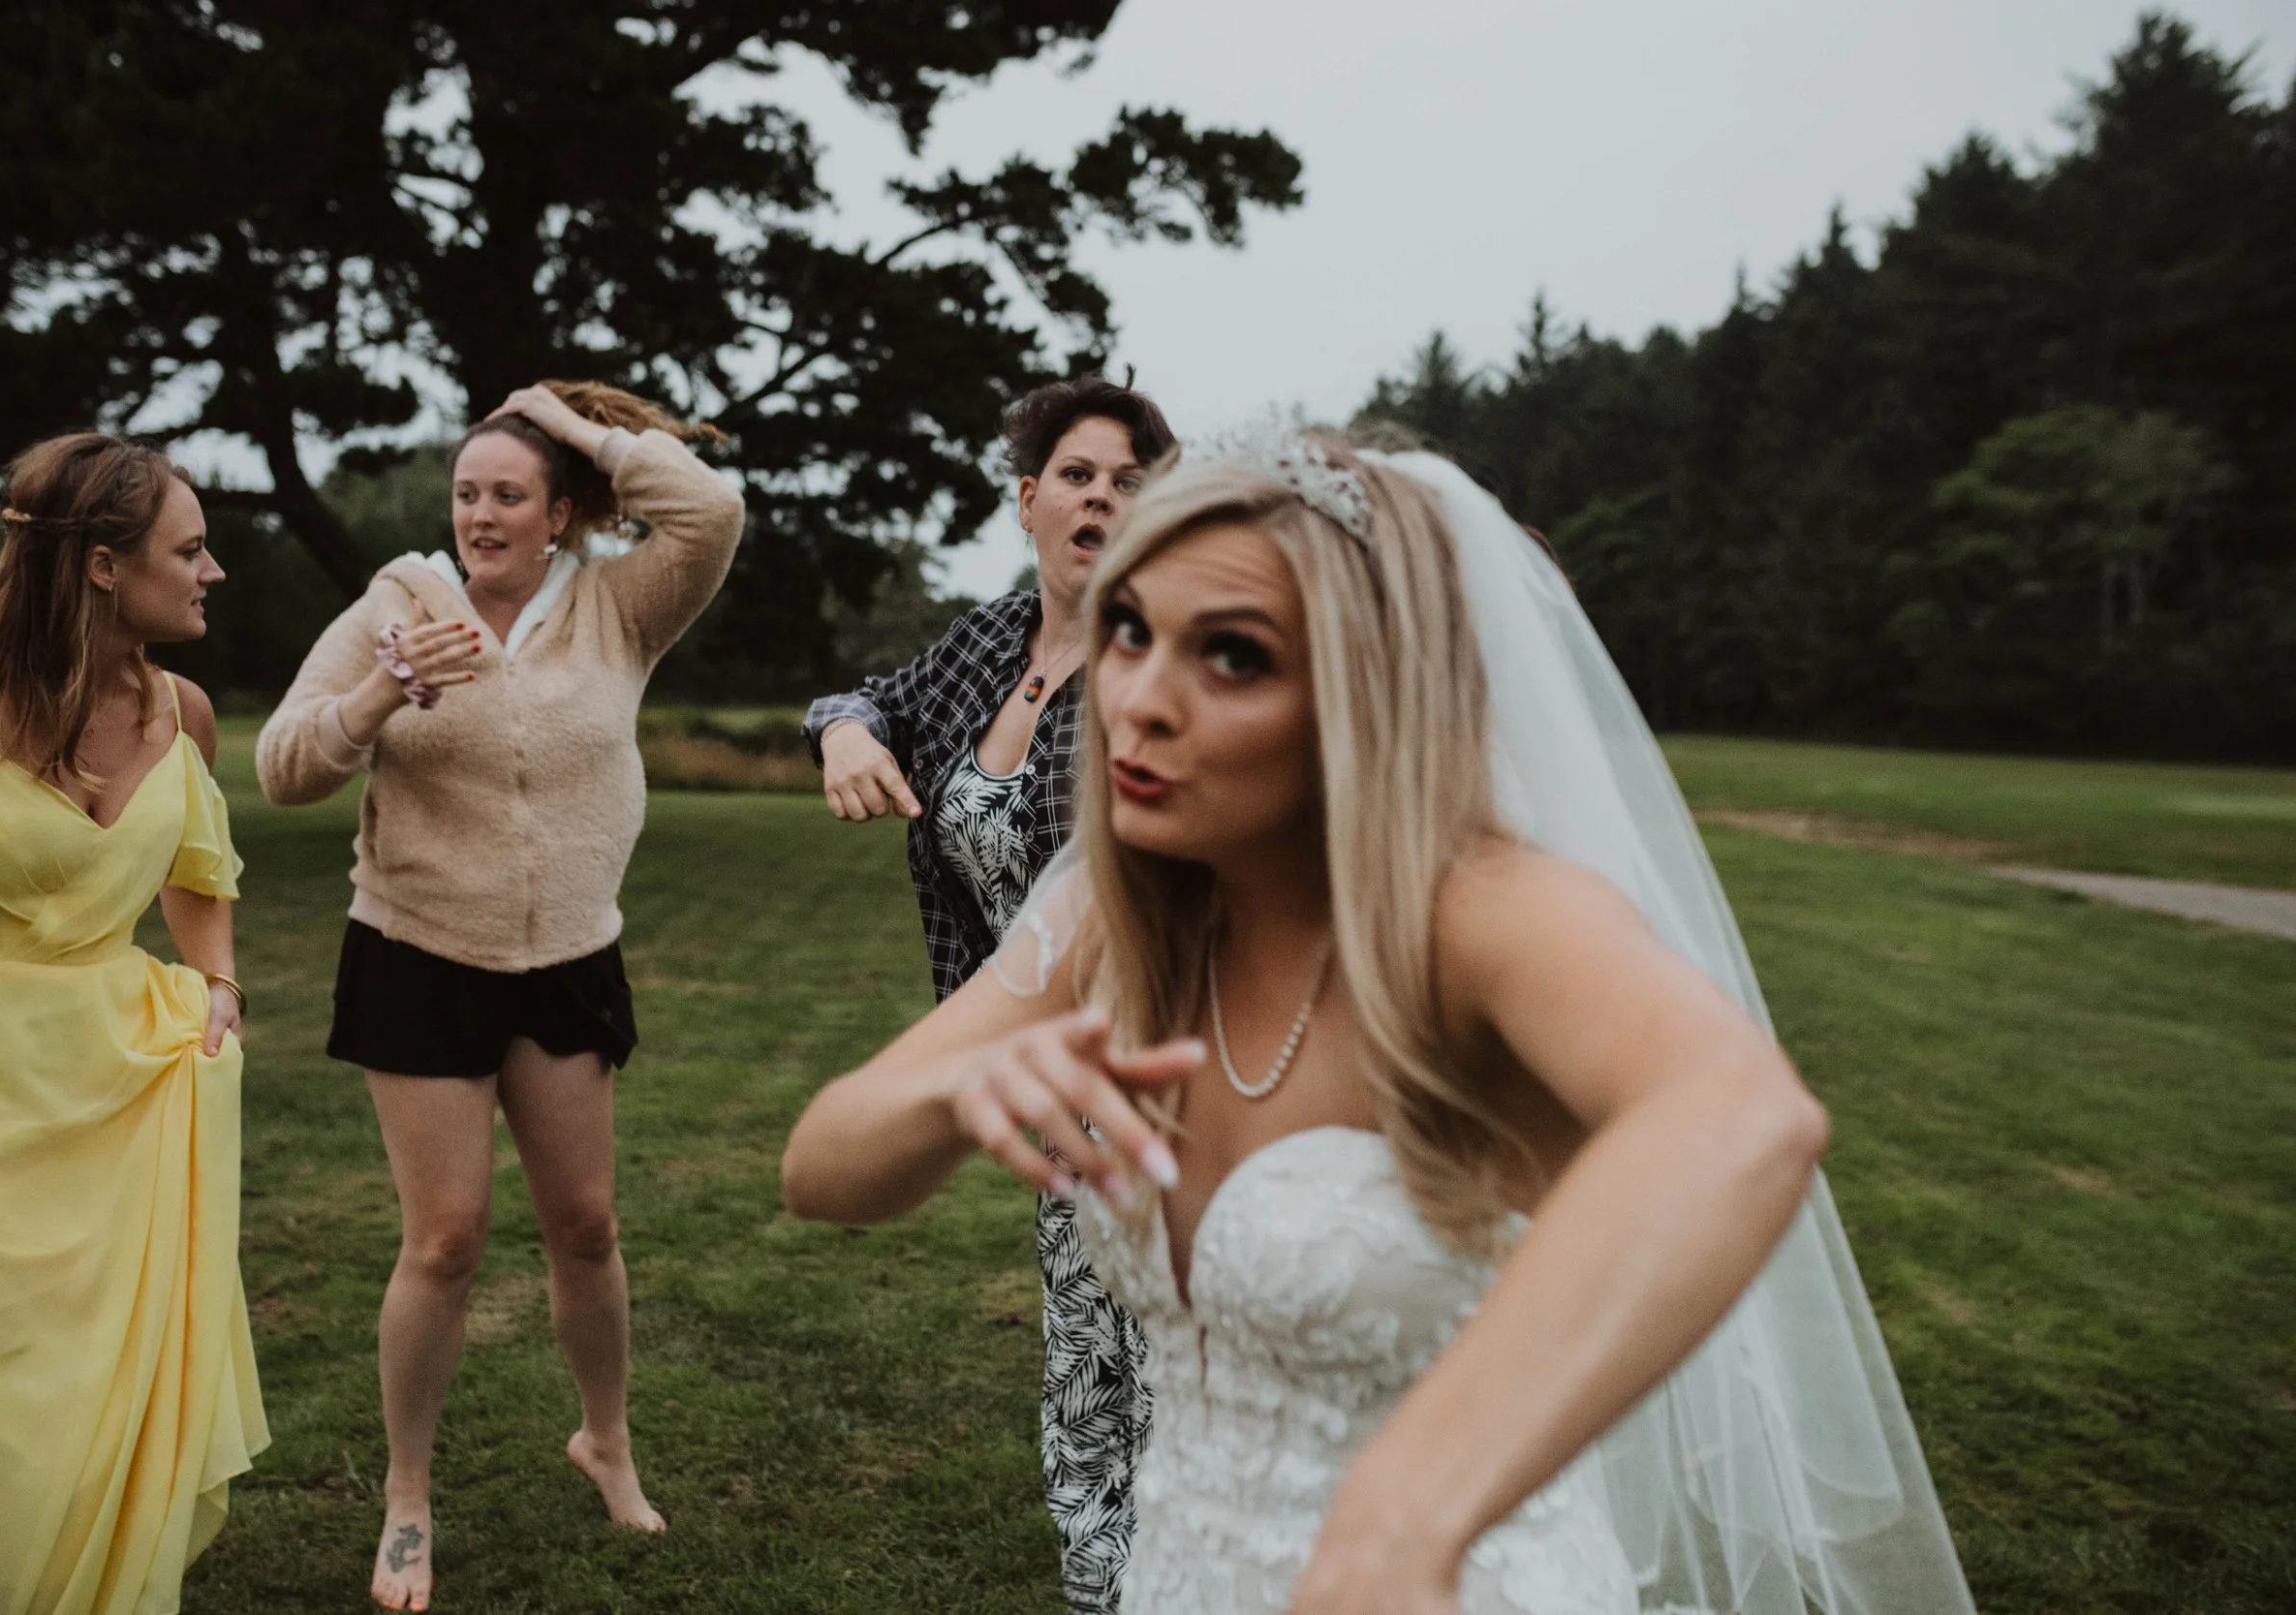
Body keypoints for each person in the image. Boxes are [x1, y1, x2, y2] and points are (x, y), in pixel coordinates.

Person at [781, 428, 1979, 1613]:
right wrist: (960, 1089)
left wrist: (1412, 1507)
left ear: (1364, 692)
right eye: (1131, 631)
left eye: (1234, 657)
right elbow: (821, 1168)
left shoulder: (1481, 914)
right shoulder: (1115, 911)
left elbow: (1743, 1118)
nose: (1135, 702)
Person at [255, 382, 743, 1612]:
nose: (480, 513)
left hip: (569, 956)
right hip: (419, 952)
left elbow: (712, 508)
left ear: (560, 511)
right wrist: (379, 697)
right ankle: (408, 1496)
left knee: (587, 1225)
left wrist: (569, 422)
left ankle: (607, 1441)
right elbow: (281, 766)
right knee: (447, 1237)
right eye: (467, 492)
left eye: (507, 493)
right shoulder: (396, 603)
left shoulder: (620, 605)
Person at [800, 375, 1177, 1613]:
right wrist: (847, 734)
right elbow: (869, 696)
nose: (1102, 496)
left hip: (1160, 1074)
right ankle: (1096, 1590)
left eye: (1129, 480)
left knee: (1180, 1374)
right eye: (1079, 474)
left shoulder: (1161, 661)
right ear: (1028, 499)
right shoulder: (985, 643)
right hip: (1028, 1062)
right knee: (1084, 1367)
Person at [0, 433, 266, 1614]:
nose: (215, 571)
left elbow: (199, 868)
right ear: (102, 566)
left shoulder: (183, 711)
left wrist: (219, 979)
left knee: (102, 1402)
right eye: (189, 549)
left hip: (123, 1091)